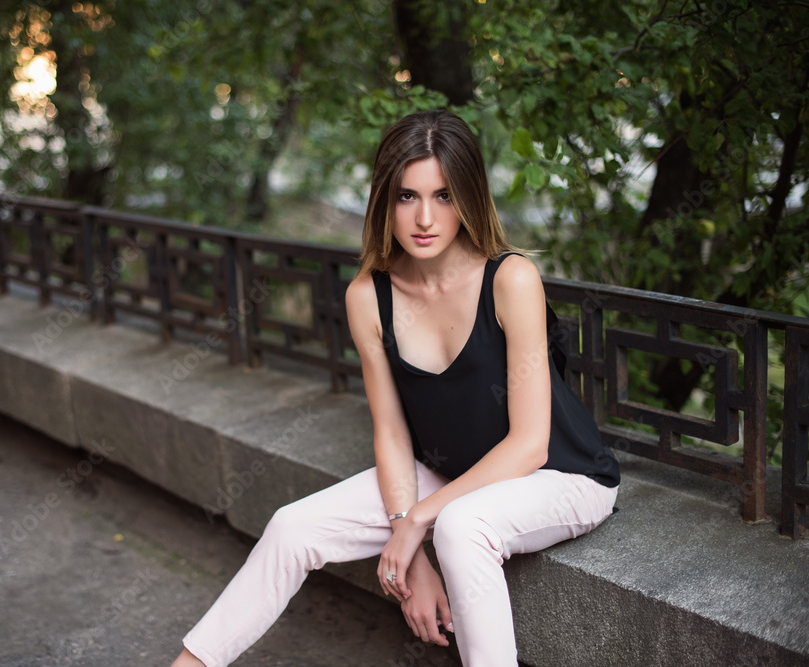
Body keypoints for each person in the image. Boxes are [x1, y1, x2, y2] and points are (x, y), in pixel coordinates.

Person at [172, 109, 620, 666]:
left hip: (561, 472)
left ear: (469, 199)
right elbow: (390, 432)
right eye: (408, 196)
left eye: (444, 196)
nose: (425, 217)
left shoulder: (510, 279)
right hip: (456, 474)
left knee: (462, 525)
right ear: (385, 200)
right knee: (293, 527)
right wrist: (414, 560)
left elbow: (530, 443)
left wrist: (418, 522)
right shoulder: (369, 296)